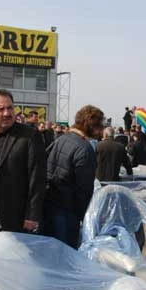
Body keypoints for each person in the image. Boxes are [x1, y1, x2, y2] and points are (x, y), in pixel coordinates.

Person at [0, 90, 46, 234]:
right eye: (0, 109)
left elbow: (37, 179)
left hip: (15, 219)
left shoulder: (29, 137)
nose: (7, 113)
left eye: (10, 108)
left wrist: (32, 215)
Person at [44, 105, 104, 248]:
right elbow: (84, 189)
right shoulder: (84, 149)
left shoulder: (60, 140)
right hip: (67, 211)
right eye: (99, 126)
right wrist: (85, 216)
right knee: (65, 255)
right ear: (92, 126)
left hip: (48, 206)